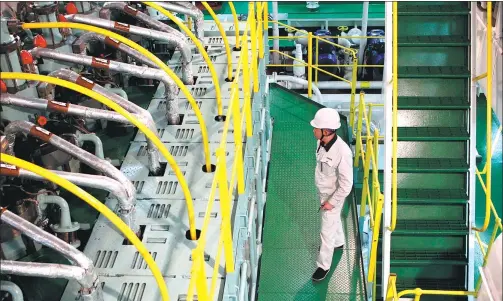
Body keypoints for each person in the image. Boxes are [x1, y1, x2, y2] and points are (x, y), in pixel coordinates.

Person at [310, 107, 353, 282]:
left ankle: (323, 266)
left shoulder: (342, 153)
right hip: (324, 192)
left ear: (326, 131)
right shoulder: (321, 142)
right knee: (333, 223)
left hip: (332, 197)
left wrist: (331, 203)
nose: (313, 130)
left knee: (325, 232)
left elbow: (346, 184)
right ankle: (339, 242)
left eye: (316, 128)